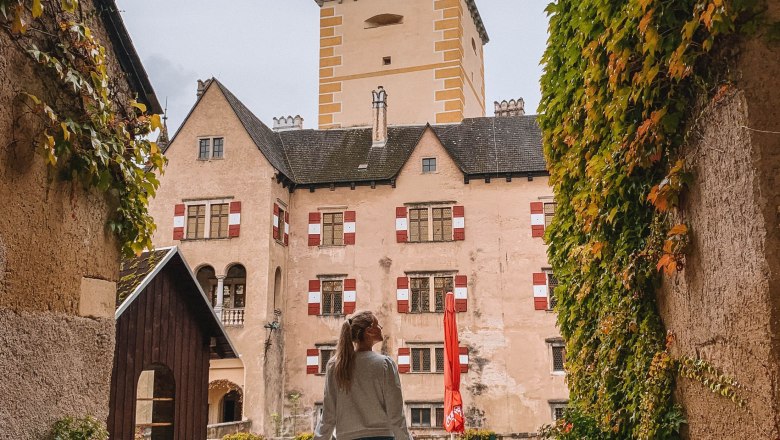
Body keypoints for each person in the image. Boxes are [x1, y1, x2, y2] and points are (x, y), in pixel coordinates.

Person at [314, 311, 413, 440]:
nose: (380, 328)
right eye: (377, 325)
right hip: (382, 435)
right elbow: (396, 413)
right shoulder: (385, 364)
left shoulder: (335, 365)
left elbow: (328, 416)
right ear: (369, 331)